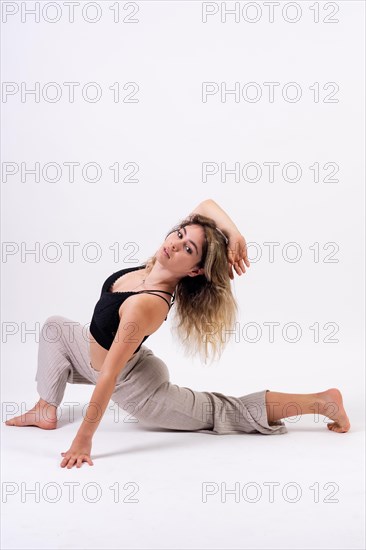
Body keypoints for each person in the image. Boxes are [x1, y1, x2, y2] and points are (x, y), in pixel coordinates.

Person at [5, 199, 351, 468]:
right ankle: (44, 408)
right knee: (55, 326)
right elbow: (204, 207)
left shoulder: (148, 304)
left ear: (195, 270)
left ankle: (322, 401)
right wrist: (235, 234)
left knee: (221, 411)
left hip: (138, 389)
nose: (176, 243)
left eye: (188, 249)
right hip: (117, 359)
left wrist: (84, 440)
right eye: (180, 234)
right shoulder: (157, 261)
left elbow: (108, 377)